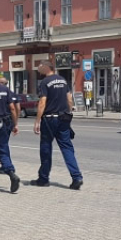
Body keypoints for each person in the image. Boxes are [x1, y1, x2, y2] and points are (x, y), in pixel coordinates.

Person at [32, 60, 83, 190]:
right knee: (67, 148)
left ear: (46, 68)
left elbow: (42, 102)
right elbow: (69, 99)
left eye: (40, 67)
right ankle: (77, 177)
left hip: (49, 119)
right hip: (63, 118)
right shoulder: (63, 80)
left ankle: (43, 179)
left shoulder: (45, 82)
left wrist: (37, 120)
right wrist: (69, 113)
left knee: (46, 148)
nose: (39, 69)